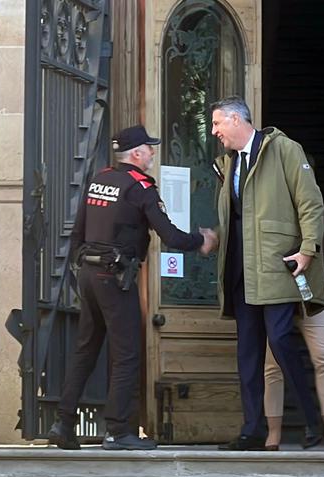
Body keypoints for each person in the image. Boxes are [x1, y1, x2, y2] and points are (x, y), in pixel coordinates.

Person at [47, 125, 218, 451]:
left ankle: (63, 423)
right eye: (149, 149)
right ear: (137, 153)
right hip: (115, 277)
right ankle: (118, 431)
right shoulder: (140, 187)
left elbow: (79, 230)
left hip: (89, 273)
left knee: (86, 349)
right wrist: (203, 240)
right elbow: (171, 236)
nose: (153, 153)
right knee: (126, 355)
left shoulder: (99, 179)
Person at [210, 96, 324, 451]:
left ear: (235, 119)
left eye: (217, 124)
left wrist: (308, 249)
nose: (214, 132)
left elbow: (310, 201)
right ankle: (252, 429)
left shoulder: (285, 149)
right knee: (248, 352)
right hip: (240, 269)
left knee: (279, 341)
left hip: (276, 265)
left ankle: (311, 417)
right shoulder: (228, 164)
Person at [262, 215, 324, 450]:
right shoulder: (266, 204)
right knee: (272, 366)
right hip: (275, 296)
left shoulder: (317, 207)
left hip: (312, 294)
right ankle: (273, 431)